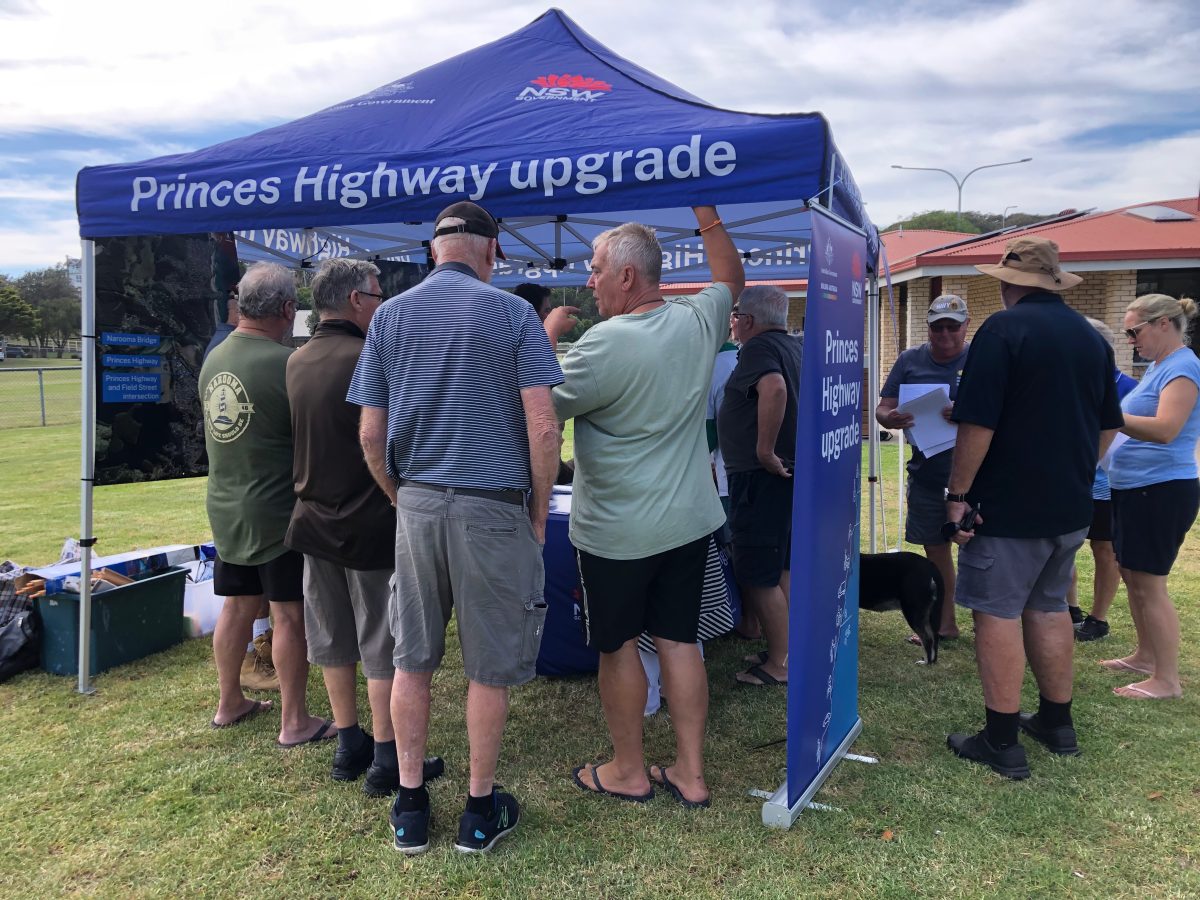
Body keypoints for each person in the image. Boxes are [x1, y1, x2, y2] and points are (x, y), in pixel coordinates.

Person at [349, 201, 561, 855]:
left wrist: (398, 495)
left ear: (432, 252)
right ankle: (477, 809)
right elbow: (545, 427)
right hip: (492, 508)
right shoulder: (515, 314)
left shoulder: (387, 315)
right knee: (488, 668)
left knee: (411, 661)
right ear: (491, 254)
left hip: (416, 506)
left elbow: (369, 433)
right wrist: (535, 512)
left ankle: (411, 805)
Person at [548, 205, 744, 809]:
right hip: (689, 521)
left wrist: (548, 335)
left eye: (597, 268)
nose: (590, 279)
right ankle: (691, 773)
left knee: (619, 647)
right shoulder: (697, 319)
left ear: (627, 278)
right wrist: (707, 214)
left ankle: (628, 770)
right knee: (680, 642)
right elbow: (731, 279)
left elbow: (536, 407)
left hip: (618, 533)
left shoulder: (603, 344)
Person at [943, 237, 1122, 779]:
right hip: (1069, 504)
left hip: (1008, 505)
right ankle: (1055, 723)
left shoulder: (1003, 330)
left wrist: (956, 498)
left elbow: (979, 423)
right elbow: (1109, 422)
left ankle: (1000, 740)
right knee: (1048, 607)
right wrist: (1075, 472)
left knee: (996, 612)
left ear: (1008, 283)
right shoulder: (1091, 338)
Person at [285, 258, 443, 792]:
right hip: (370, 517)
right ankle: (385, 756)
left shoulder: (297, 359)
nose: (381, 303)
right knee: (380, 640)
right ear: (356, 300)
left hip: (312, 518)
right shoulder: (370, 358)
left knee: (331, 634)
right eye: (377, 295)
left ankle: (348, 742)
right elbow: (390, 439)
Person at [200, 262, 333, 746]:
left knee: (236, 607)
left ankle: (228, 702)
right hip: (276, 511)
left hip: (226, 505)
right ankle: (294, 720)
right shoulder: (285, 364)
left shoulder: (215, 358)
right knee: (288, 614)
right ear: (285, 309)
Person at [1103, 294, 1200, 700]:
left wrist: (1107, 413)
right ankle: (1145, 657)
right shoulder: (1159, 367)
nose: (1130, 340)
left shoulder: (1184, 366)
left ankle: (1167, 680)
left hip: (1160, 489)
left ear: (1164, 324)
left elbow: (1165, 429)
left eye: (1134, 331)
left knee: (1149, 583)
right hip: (1135, 488)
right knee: (1132, 574)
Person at [717, 285, 803, 687]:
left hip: (760, 477)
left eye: (735, 315)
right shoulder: (793, 347)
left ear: (747, 319)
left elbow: (774, 389)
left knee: (757, 571)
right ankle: (784, 649)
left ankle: (781, 664)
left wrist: (765, 451)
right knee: (778, 567)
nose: (732, 322)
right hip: (782, 480)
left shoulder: (758, 349)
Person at [875, 294, 971, 644]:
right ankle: (945, 624)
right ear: (928, 328)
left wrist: (967, 409)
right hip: (928, 471)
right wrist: (892, 417)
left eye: (952, 326)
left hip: (978, 473)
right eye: (937, 327)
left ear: (966, 326)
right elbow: (882, 409)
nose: (945, 333)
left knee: (983, 551)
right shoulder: (910, 359)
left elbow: (1008, 410)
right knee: (935, 548)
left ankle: (990, 620)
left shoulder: (982, 358)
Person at [1068, 318, 1140, 641]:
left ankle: (1098, 618)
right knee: (1064, 547)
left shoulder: (1127, 390)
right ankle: (1070, 608)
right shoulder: (1067, 385)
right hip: (1069, 480)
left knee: (1104, 549)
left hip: (1106, 485)